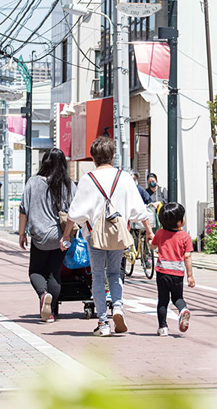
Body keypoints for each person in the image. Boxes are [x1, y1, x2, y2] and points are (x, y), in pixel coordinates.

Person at [60, 137, 155, 337]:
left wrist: (66, 235)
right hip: (118, 234)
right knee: (114, 273)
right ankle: (118, 308)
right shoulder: (125, 177)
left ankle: (103, 322)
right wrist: (149, 231)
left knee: (97, 275)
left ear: (94, 158)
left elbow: (75, 213)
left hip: (95, 235)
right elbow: (139, 210)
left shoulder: (88, 179)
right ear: (112, 156)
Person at [19, 148, 76, 323]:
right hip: (60, 236)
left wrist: (22, 234)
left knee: (35, 271)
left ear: (45, 162)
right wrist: (67, 235)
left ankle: (43, 295)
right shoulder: (69, 184)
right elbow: (74, 212)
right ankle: (50, 313)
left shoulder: (33, 182)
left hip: (39, 236)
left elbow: (23, 210)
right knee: (54, 274)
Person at [149, 202, 195, 337]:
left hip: (162, 272)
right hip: (177, 273)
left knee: (163, 300)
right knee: (177, 297)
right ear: (180, 221)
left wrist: (149, 240)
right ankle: (183, 310)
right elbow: (187, 256)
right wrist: (190, 276)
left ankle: (163, 327)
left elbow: (153, 246)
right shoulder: (185, 236)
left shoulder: (160, 233)